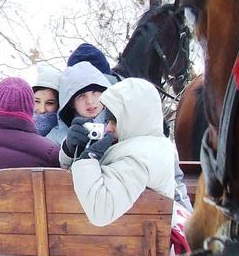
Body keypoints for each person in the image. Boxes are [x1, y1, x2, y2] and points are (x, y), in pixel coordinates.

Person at [58, 77, 177, 226]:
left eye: (114, 120)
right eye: (108, 120)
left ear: (133, 118)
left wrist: (87, 160)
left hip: (126, 243)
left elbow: (100, 211)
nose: (108, 128)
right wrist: (72, 150)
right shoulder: (149, 144)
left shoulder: (136, 157)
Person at [45, 61, 111, 145]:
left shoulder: (120, 122)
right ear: (71, 103)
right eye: (81, 96)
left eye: (94, 92)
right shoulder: (56, 138)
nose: (90, 101)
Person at [32, 65, 60, 137]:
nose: (42, 110)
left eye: (50, 103)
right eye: (37, 101)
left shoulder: (65, 134)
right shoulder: (17, 126)